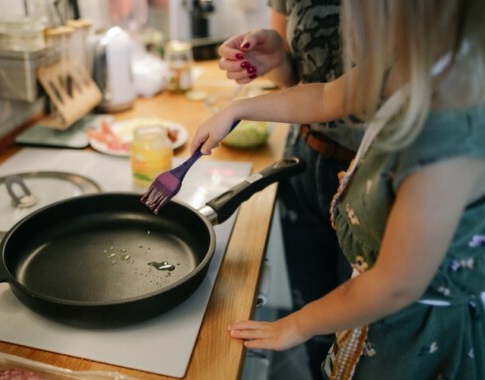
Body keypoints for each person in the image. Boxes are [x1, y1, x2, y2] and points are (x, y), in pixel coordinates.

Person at [191, 0, 485, 378]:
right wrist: (236, 110)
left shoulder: (447, 136)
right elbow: (326, 97)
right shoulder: (409, 64)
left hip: (416, 338)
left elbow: (395, 286)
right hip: (375, 314)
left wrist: (299, 324)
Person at [215, 2, 357, 377]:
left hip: (374, 173)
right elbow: (316, 89)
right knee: (312, 308)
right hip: (305, 160)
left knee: (358, 328)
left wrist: (298, 323)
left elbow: (391, 287)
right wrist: (276, 55)